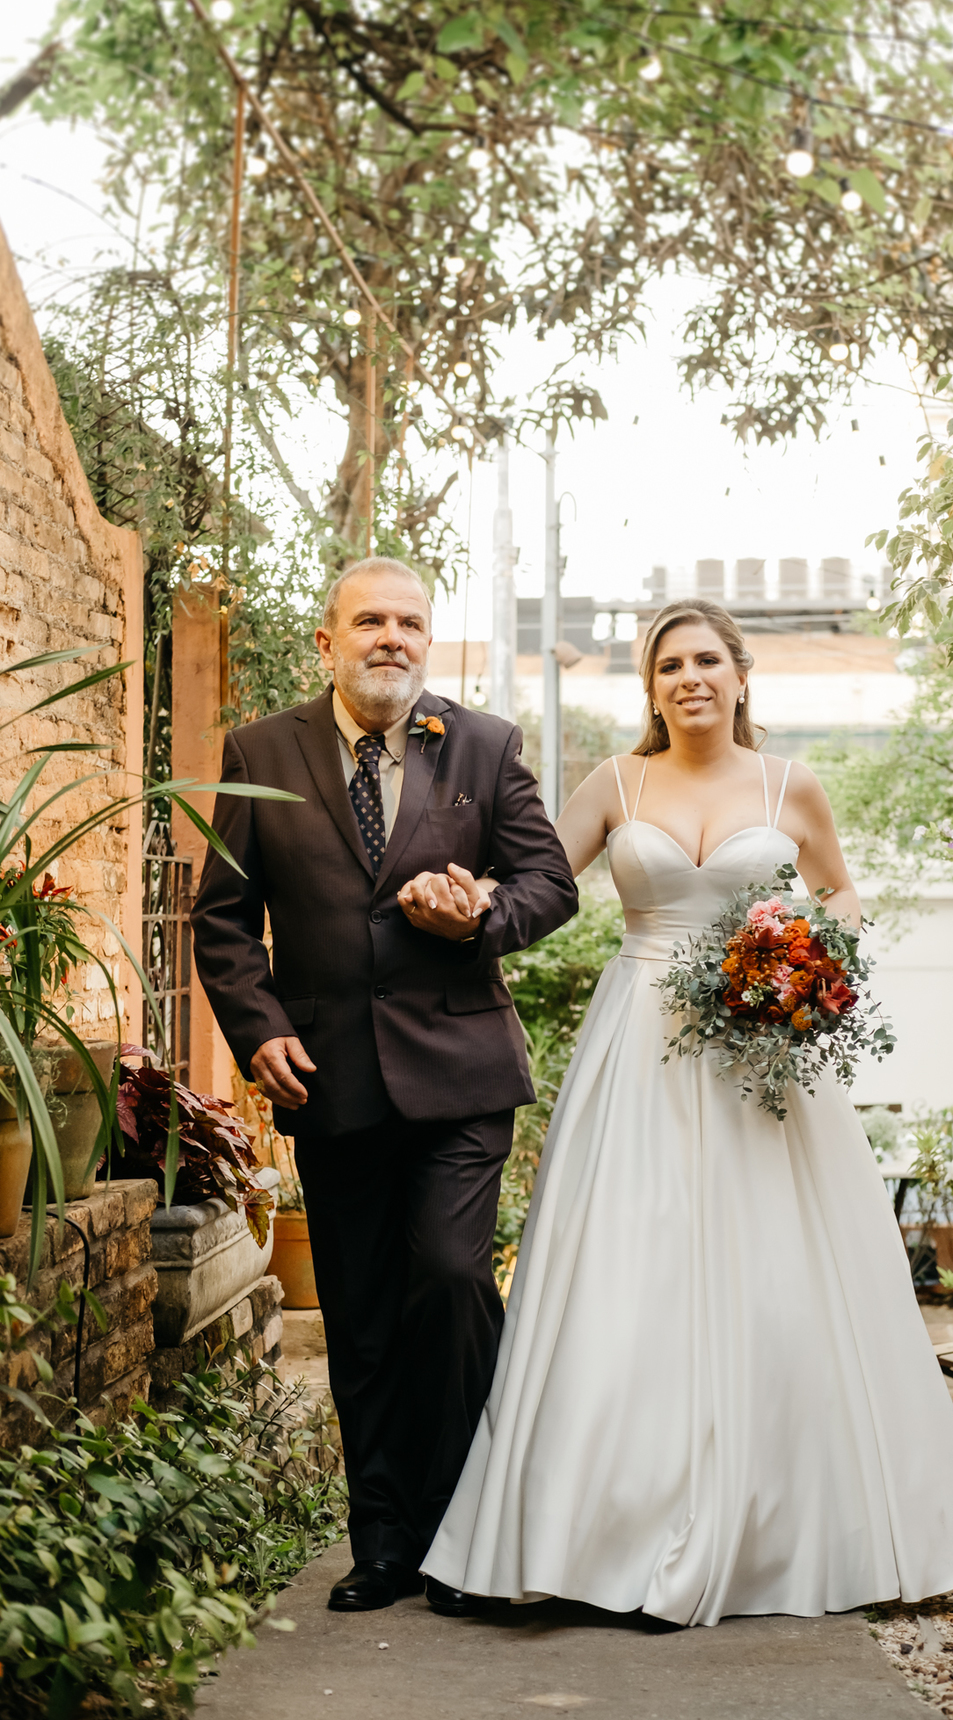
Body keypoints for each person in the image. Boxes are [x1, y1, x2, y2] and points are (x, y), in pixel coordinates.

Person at [423, 597, 953, 1626]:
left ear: (741, 676)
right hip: (638, 1047)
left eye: (705, 661)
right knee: (628, 1266)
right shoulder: (615, 783)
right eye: (668, 666)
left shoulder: (792, 785)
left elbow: (840, 892)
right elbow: (537, 884)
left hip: (760, 1054)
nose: (689, 678)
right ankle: (589, 1533)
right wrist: (460, 901)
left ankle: (789, 1524)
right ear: (651, 689)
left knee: (775, 1270)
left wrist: (808, 956)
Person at [189, 557, 578, 1617]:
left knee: (449, 1277)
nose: (392, 638)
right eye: (370, 621)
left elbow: (551, 885)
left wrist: (481, 916)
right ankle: (386, 1543)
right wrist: (260, 1031)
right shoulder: (260, 751)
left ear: (427, 640)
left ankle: (473, 1532)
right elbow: (221, 919)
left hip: (462, 1071)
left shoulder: (484, 745)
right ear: (329, 641)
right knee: (359, 1314)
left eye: (410, 622)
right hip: (330, 1078)